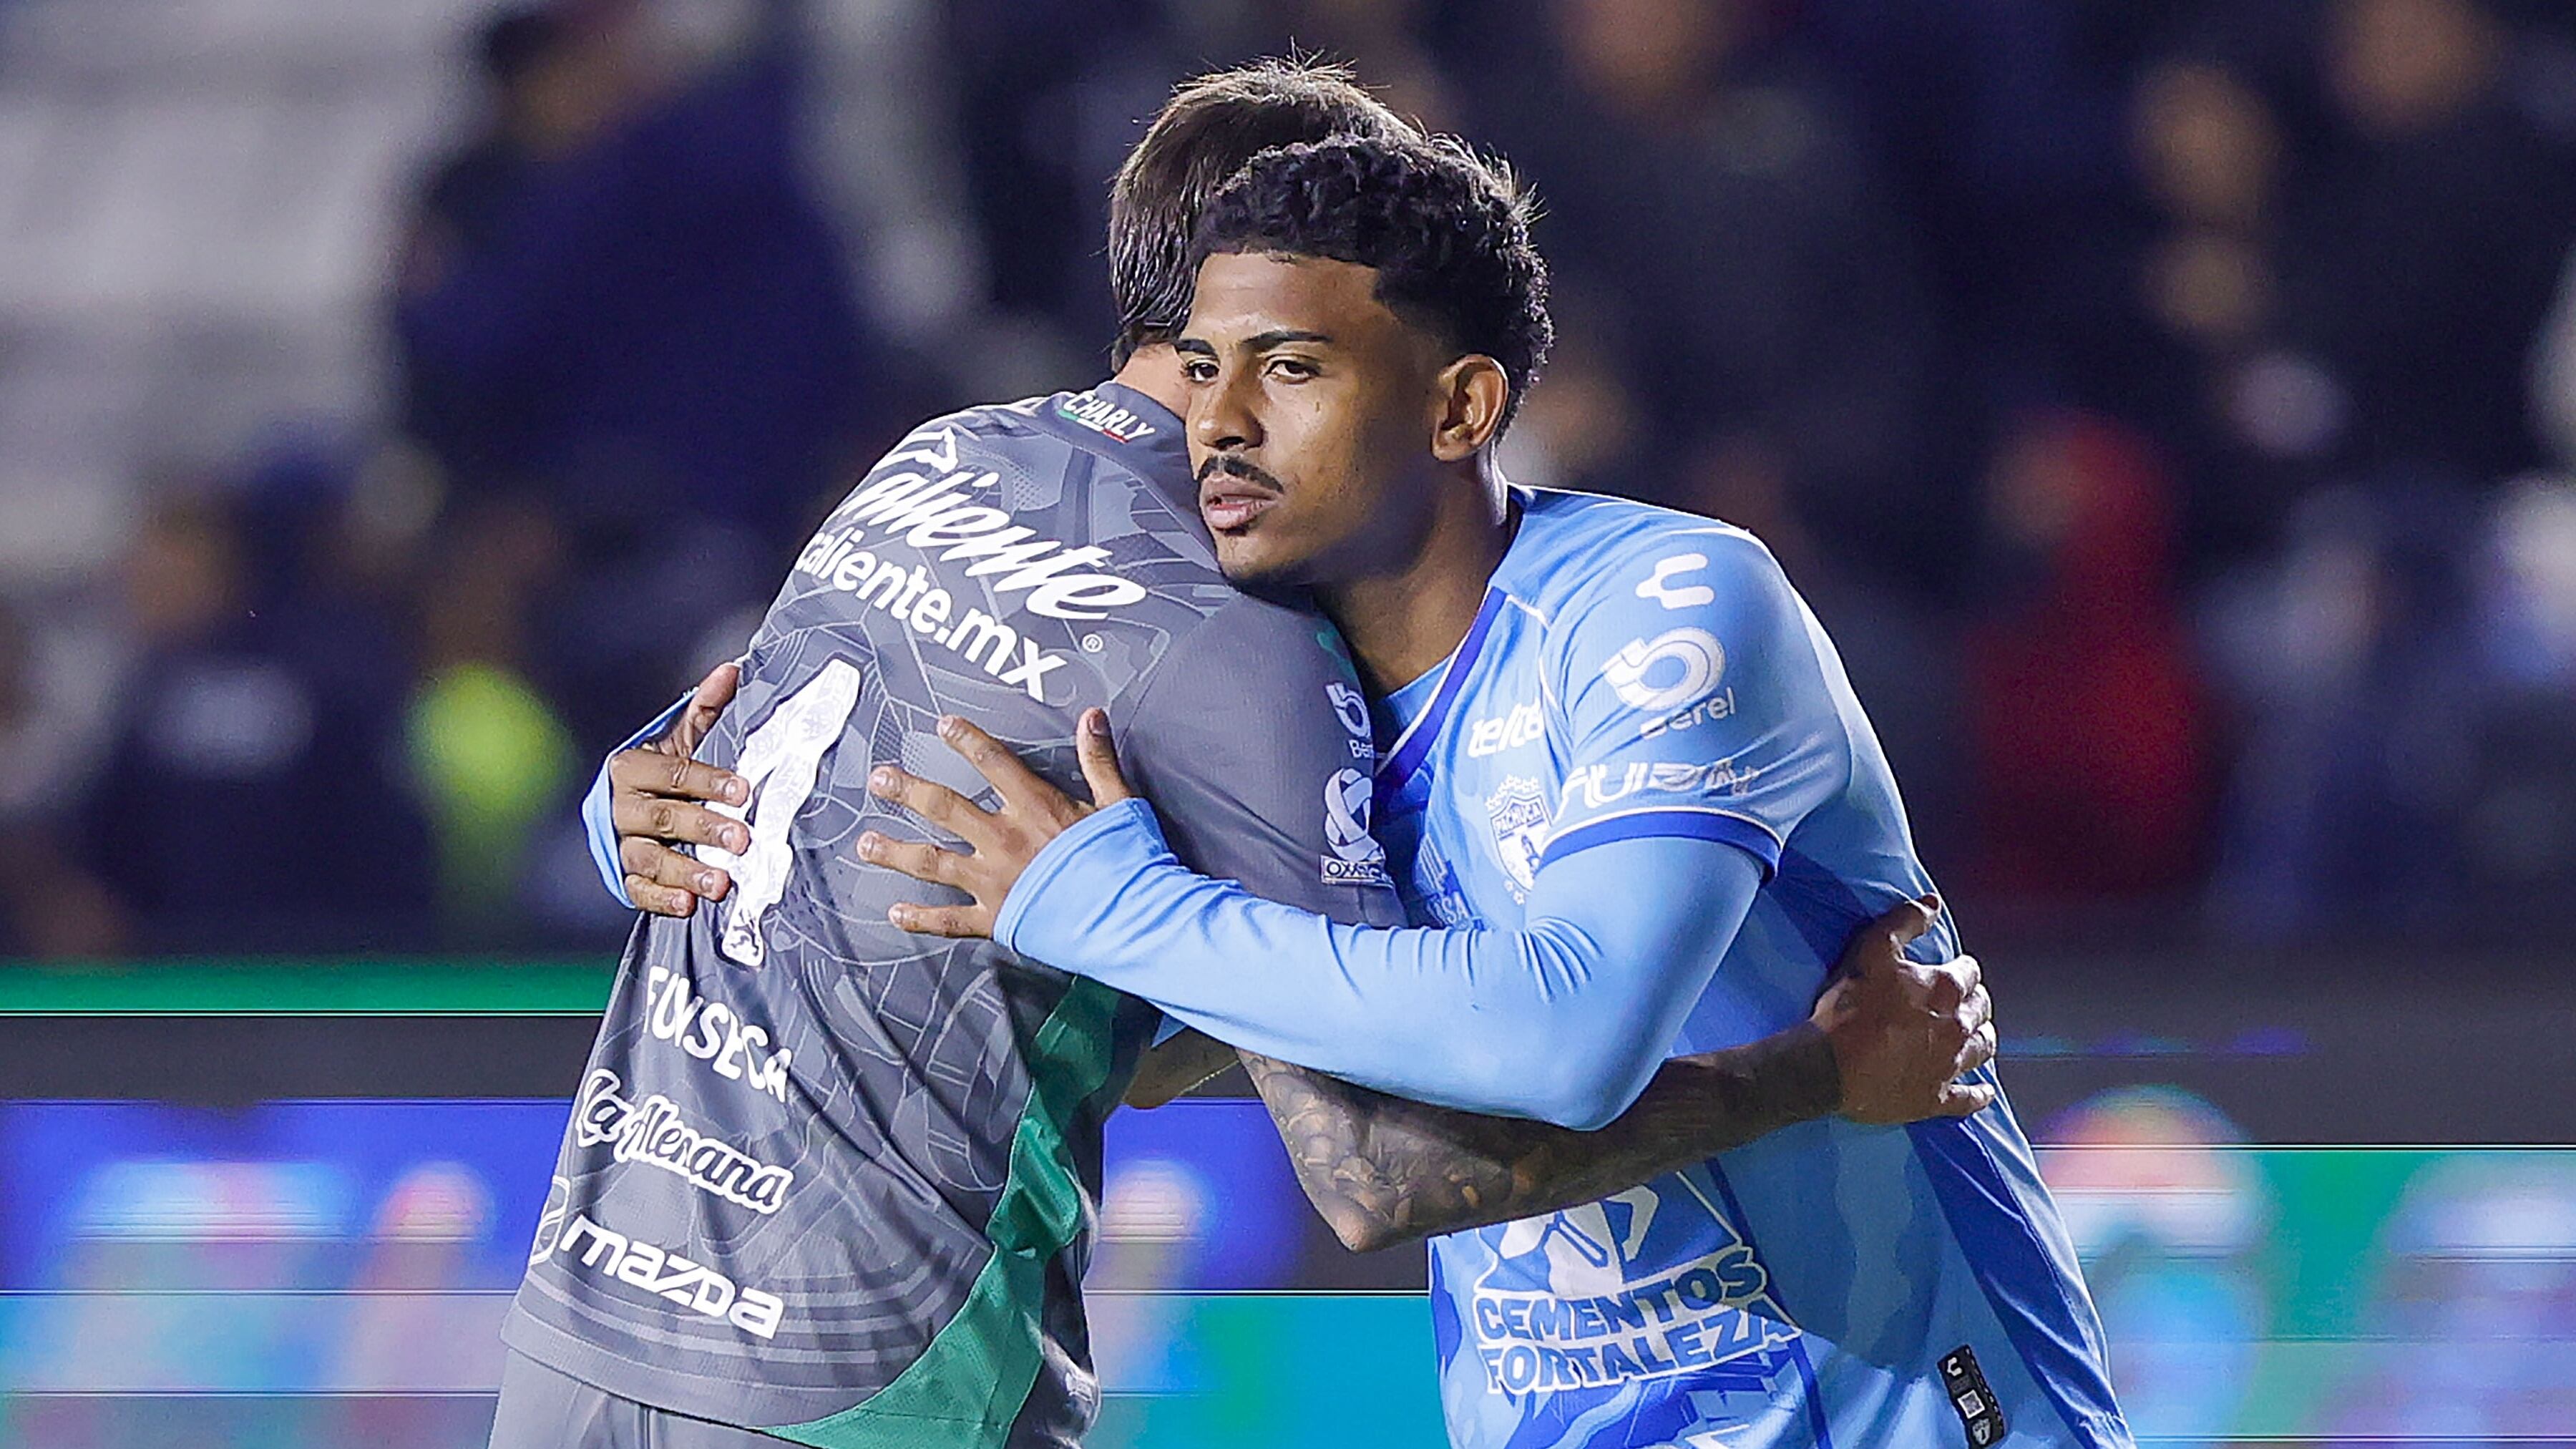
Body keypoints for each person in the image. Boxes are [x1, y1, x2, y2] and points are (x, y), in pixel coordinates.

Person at [502, 62, 1994, 1449]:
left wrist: (612, 799)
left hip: (584, 1315)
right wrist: (1821, 1070)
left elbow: (719, 789)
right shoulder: (1238, 642)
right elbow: (1380, 1173)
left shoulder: (935, 459)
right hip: (869, 1368)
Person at [854, 135, 2130, 1446]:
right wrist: (636, 798)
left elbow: (1570, 1038)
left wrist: (1108, 908)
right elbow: (1194, 1055)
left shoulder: (1666, 605)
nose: (1218, 420)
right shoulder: (1256, 695)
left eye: (1290, 366)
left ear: (1460, 409)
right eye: (1201, 366)